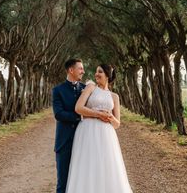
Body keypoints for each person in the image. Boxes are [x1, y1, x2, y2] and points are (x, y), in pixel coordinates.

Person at [65, 64, 132, 193]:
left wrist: (110, 118)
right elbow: (78, 108)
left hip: (107, 134)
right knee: (88, 165)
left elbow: (117, 124)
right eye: (96, 72)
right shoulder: (91, 87)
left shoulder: (114, 97)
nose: (96, 74)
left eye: (100, 72)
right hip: (87, 130)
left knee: (106, 166)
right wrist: (98, 114)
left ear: (107, 75)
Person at [52, 59, 112, 193]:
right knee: (63, 182)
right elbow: (59, 114)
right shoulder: (58, 90)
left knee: (83, 180)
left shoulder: (87, 88)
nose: (83, 71)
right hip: (65, 142)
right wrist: (83, 116)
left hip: (85, 142)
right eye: (80, 68)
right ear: (71, 70)